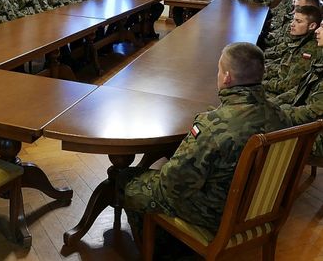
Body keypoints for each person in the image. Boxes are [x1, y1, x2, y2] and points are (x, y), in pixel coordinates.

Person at [118, 42, 289, 240]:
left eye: (219, 69)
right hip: (258, 206)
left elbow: (173, 184)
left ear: (227, 77)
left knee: (128, 179)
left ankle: (160, 250)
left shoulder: (212, 125)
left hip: (217, 213)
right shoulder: (281, 116)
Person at [271, 18, 323, 156]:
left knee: (257, 129)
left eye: (322, 28)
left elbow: (314, 112)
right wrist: (274, 103)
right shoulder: (321, 57)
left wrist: (280, 112)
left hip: (316, 135)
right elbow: (300, 88)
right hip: (307, 122)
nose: (317, 31)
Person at [263, 5, 321, 97]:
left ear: (312, 26)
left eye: (298, 21)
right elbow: (283, 66)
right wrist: (262, 71)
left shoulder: (309, 50)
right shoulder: (300, 40)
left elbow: (288, 85)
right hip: (278, 84)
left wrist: (261, 82)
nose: (292, 24)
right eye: (293, 20)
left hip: (282, 94)